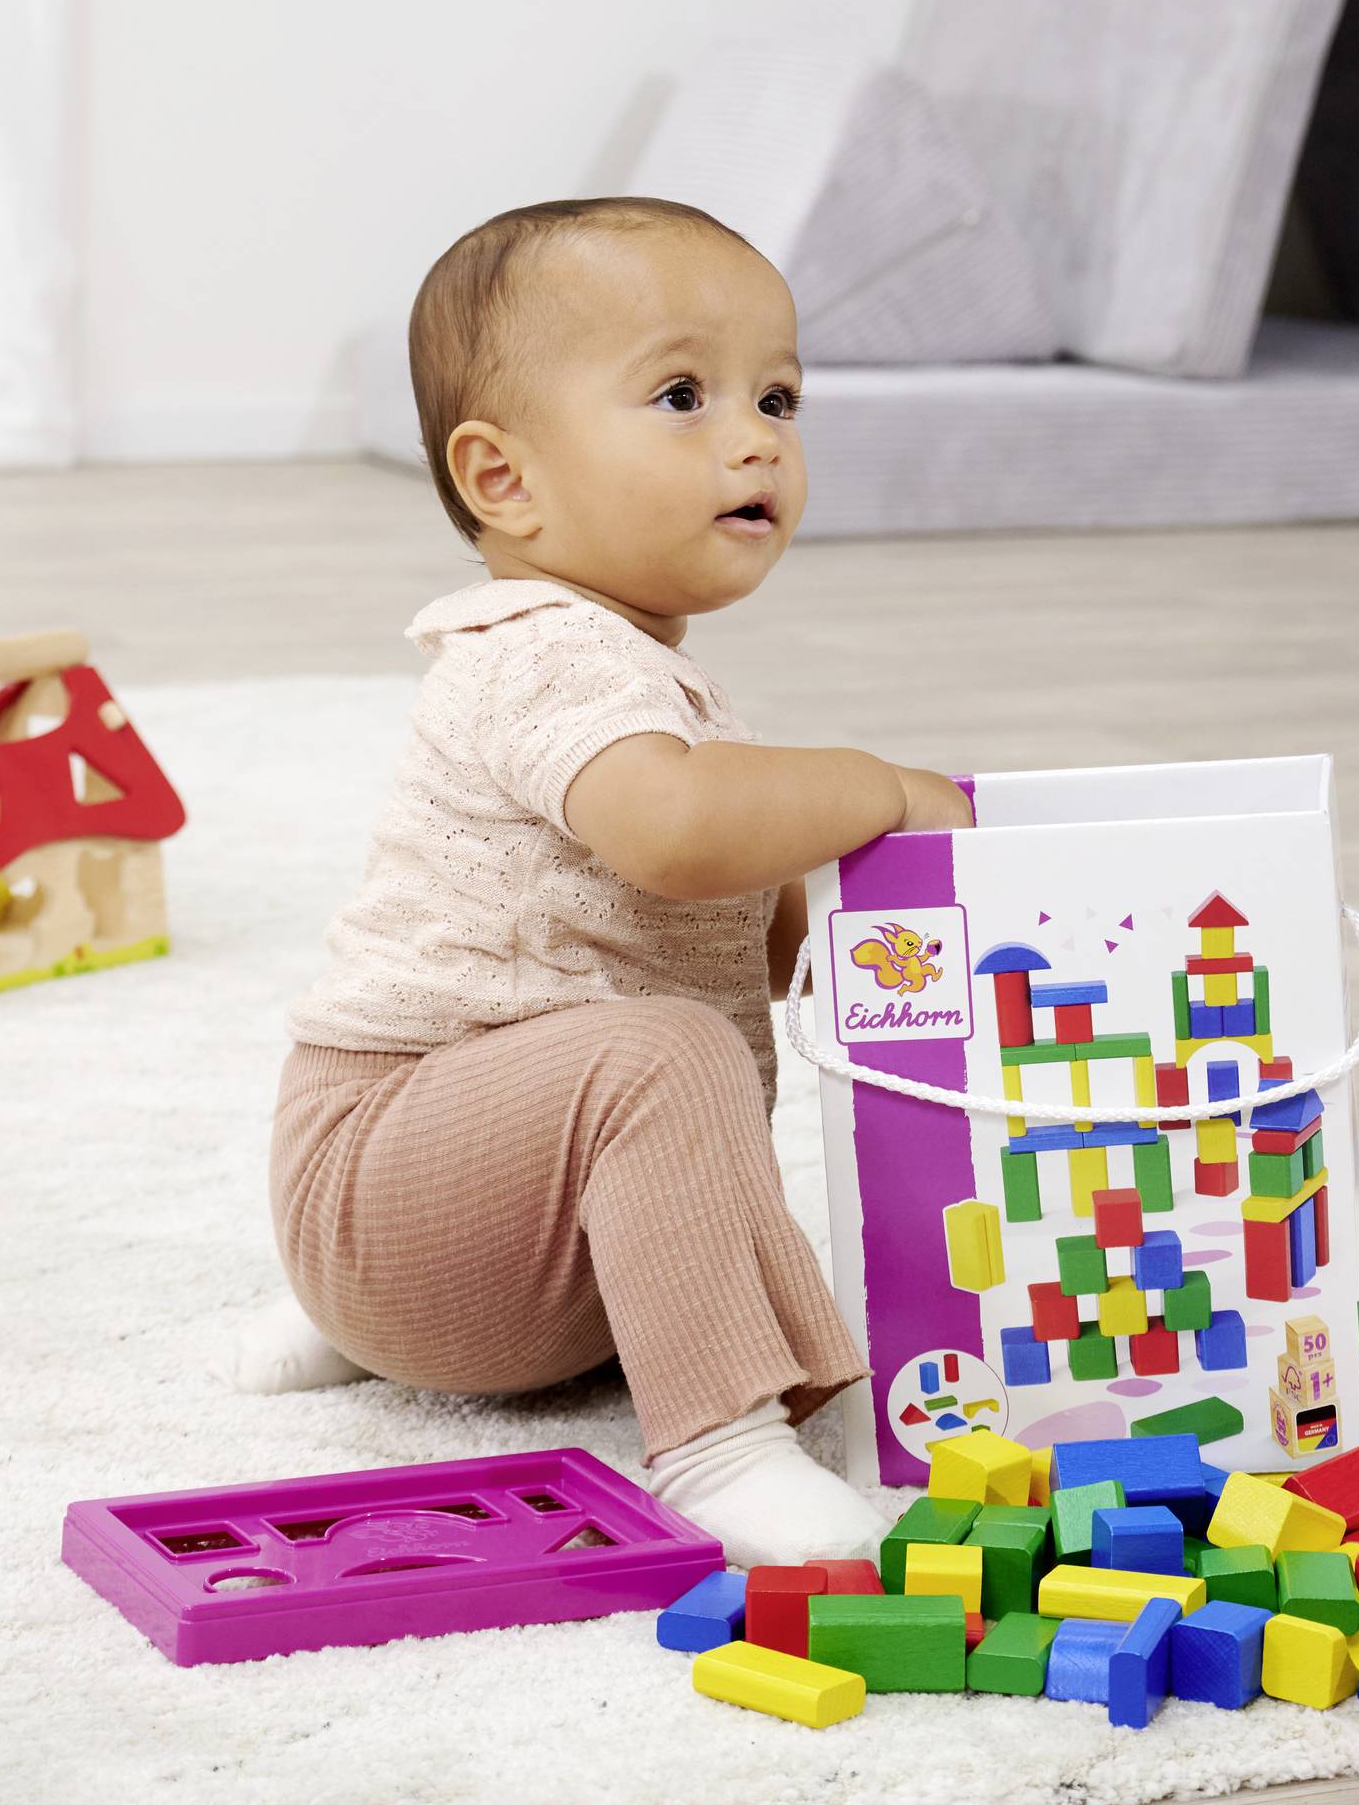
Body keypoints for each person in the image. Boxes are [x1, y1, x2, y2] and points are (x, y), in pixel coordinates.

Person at [249, 195, 972, 1565]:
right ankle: (716, 1444)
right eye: (685, 395)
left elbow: (723, 914)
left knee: (685, 1072)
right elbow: (673, 836)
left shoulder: (657, 684)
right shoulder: (543, 652)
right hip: (381, 1174)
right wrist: (872, 791)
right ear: (504, 480)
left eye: (778, 396)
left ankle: (364, 1323)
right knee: (663, 1058)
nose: (756, 437)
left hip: (517, 1250)